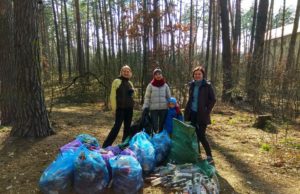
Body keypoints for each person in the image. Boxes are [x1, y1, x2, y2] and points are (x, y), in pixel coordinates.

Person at [184, 66, 216, 164]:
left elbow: (213, 99)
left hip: (202, 115)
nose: (197, 76)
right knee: (194, 135)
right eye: (196, 74)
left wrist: (207, 110)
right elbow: (191, 99)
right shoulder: (192, 85)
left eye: (199, 74)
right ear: (193, 75)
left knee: (201, 135)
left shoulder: (207, 86)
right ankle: (197, 154)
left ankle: (209, 156)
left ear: (203, 75)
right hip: (192, 113)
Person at [102, 65, 135, 148]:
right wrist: (114, 109)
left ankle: (124, 146)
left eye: (128, 71)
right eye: (124, 71)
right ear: (121, 72)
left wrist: (133, 92)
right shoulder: (117, 81)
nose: (126, 73)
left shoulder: (130, 83)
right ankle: (105, 146)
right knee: (116, 127)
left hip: (129, 109)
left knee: (127, 128)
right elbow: (112, 96)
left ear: (130, 73)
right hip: (120, 109)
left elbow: (133, 96)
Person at [143, 67, 171, 133]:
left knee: (162, 125)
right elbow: (147, 97)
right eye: (156, 74)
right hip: (153, 109)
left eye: (159, 74)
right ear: (154, 76)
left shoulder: (165, 85)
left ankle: (160, 139)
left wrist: (172, 106)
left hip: (164, 108)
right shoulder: (150, 85)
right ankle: (155, 137)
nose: (158, 76)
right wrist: (145, 107)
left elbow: (169, 97)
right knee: (154, 125)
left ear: (162, 75)